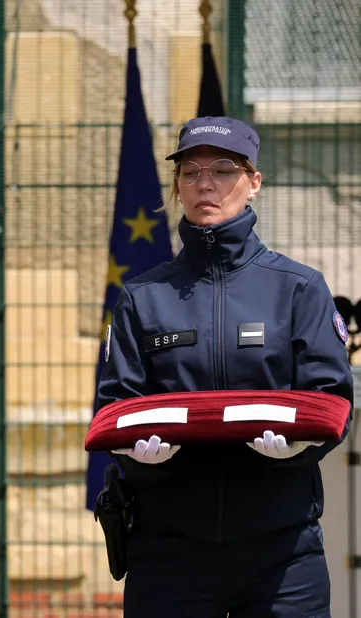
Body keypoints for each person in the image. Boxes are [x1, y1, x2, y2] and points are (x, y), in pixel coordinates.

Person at [96, 116, 354, 617]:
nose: (205, 183)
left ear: (253, 182)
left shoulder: (298, 288)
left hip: (282, 551)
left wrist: (298, 449)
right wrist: (135, 456)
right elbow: (118, 405)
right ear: (176, 186)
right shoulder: (142, 296)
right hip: (169, 549)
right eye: (190, 172)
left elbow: (332, 397)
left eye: (222, 169)